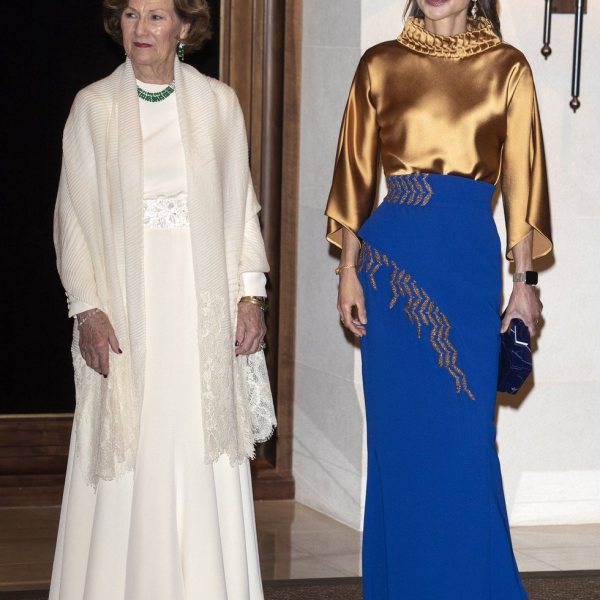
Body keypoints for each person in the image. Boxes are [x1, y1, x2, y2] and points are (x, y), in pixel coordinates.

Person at [50, 0, 276, 598]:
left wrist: (251, 296)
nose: (141, 28)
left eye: (156, 16)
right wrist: (87, 308)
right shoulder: (94, 106)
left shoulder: (219, 103)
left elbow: (242, 206)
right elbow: (71, 218)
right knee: (136, 440)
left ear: (184, 27)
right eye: (131, 15)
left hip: (202, 307)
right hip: (126, 309)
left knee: (200, 437)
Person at [326, 0, 552, 598]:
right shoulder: (379, 65)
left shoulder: (508, 68)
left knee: (466, 443)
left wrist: (524, 285)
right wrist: (347, 270)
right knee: (400, 447)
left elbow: (523, 184)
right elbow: (353, 177)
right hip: (388, 270)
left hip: (466, 269)